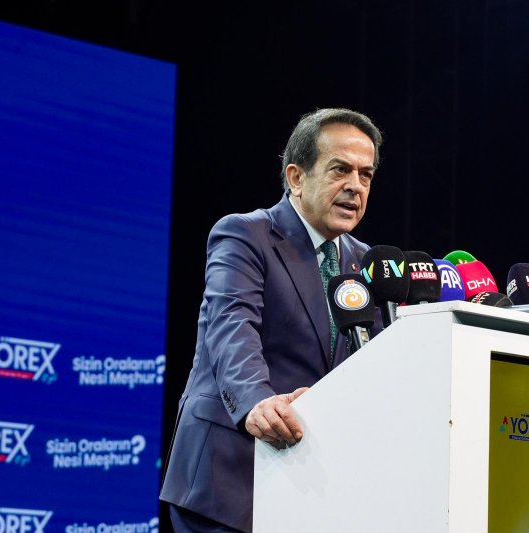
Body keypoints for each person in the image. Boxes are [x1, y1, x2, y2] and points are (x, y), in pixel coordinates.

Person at [159, 108, 384, 532]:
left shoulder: (365, 263)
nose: (355, 186)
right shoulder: (245, 235)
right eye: (341, 169)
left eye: (366, 175)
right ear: (296, 177)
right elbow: (231, 326)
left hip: (311, 490)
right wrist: (255, 402)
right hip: (227, 480)